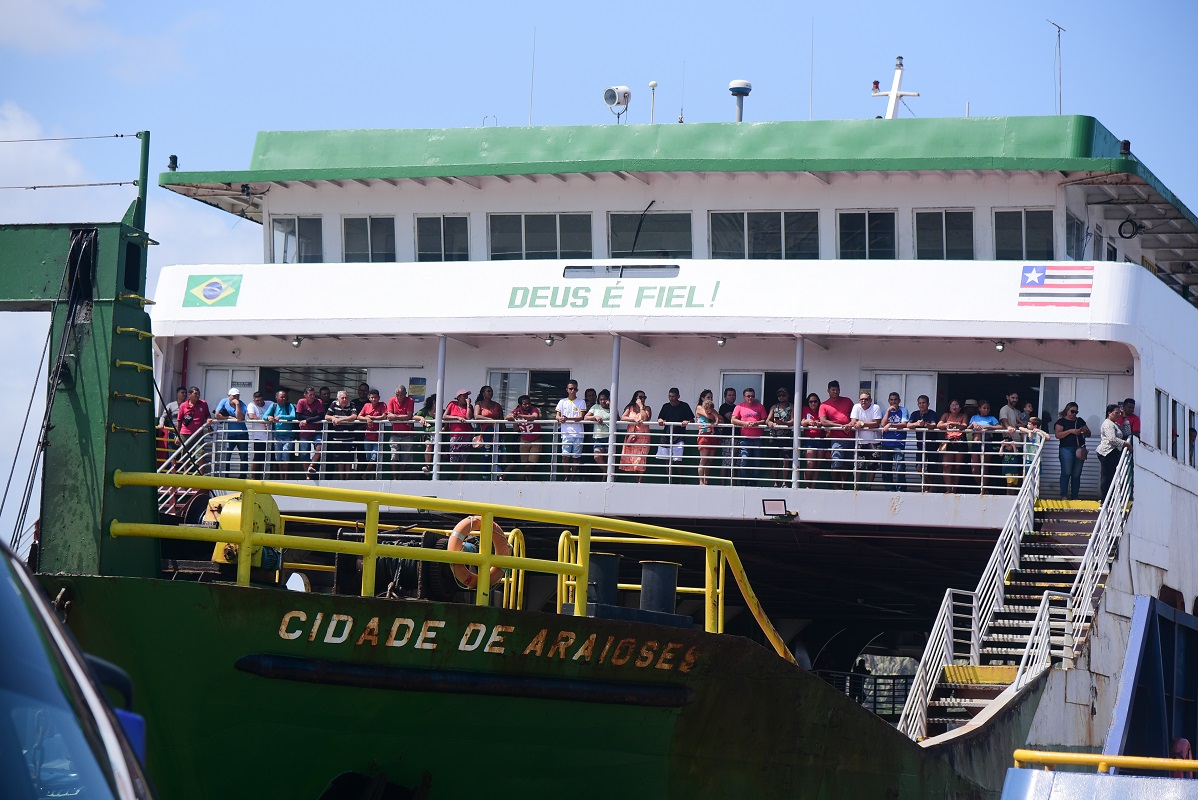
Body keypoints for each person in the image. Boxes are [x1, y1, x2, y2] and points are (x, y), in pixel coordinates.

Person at [819, 381, 855, 489]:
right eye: (833, 390)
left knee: (847, 464)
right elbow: (823, 422)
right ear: (828, 391)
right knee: (836, 463)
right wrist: (839, 425)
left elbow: (855, 416)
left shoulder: (848, 401)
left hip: (851, 437)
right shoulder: (824, 405)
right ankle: (836, 487)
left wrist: (849, 424)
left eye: (837, 389)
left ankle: (843, 487)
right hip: (837, 438)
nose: (835, 392)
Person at [1053, 402, 1092, 500]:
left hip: (1079, 448)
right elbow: (1058, 435)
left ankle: (1075, 497)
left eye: (1076, 412)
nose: (1074, 414)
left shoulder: (1080, 420)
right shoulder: (1061, 421)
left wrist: (1085, 431)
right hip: (1066, 448)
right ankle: (1064, 495)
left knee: (1076, 474)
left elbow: (1089, 434)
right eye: (1072, 411)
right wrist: (1070, 431)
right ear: (1067, 410)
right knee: (1066, 472)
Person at [657, 387, 694, 480]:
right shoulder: (665, 406)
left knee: (678, 459)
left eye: (673, 396)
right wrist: (660, 420)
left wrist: (687, 421)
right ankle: (669, 479)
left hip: (679, 436)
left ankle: (680, 480)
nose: (671, 398)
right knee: (667, 460)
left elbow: (692, 419)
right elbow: (660, 418)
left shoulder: (684, 406)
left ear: (678, 396)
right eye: (670, 396)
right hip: (667, 436)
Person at [731, 388, 767, 486]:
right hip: (745, 438)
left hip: (758, 438)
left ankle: (753, 483)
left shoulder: (760, 406)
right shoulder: (739, 406)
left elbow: (765, 420)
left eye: (752, 396)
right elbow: (733, 420)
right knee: (744, 460)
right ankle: (743, 482)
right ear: (744, 397)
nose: (750, 398)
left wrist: (756, 423)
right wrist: (744, 423)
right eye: (748, 396)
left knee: (757, 462)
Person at [1097, 403, 1132, 500]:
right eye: (1116, 413)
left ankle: (1109, 497)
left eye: (1119, 413)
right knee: (1107, 477)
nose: (1118, 415)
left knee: (1112, 476)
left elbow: (1127, 432)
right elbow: (1112, 439)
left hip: (1113, 452)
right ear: (1109, 413)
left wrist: (1125, 419)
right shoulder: (1108, 424)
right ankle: (1104, 500)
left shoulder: (1115, 424)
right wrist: (1126, 444)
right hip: (1107, 452)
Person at [850, 391, 884, 488]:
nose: (864, 401)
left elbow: (876, 423)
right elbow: (853, 421)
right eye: (862, 399)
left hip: (874, 441)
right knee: (858, 466)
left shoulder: (875, 407)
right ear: (859, 400)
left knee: (872, 466)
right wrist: (859, 423)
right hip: (860, 441)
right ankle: (856, 486)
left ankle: (869, 487)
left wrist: (862, 424)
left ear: (871, 400)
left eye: (866, 399)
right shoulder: (856, 407)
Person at [213, 387, 248, 480]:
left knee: (244, 456)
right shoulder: (224, 401)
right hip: (229, 434)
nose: (236, 398)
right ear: (229, 396)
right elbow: (216, 415)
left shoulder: (242, 404)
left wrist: (237, 405)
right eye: (234, 396)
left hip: (242, 434)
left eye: (237, 396)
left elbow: (240, 418)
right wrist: (229, 417)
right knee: (227, 455)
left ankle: (243, 477)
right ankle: (226, 476)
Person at [555, 381, 588, 480]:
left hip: (578, 434)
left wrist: (567, 419)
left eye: (575, 389)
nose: (573, 391)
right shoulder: (562, 402)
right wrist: (559, 419)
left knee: (575, 457)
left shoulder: (581, 402)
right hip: (566, 433)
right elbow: (557, 416)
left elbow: (581, 417)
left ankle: (572, 477)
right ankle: (567, 477)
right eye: (571, 389)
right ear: (567, 390)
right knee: (565, 457)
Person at [506, 395, 543, 480]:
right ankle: (528, 481)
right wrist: (513, 416)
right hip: (524, 440)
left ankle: (521, 476)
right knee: (525, 463)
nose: (527, 405)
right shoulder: (517, 411)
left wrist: (521, 416)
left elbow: (534, 416)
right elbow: (507, 417)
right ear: (520, 405)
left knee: (532, 462)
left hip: (536, 439)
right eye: (525, 404)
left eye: (528, 403)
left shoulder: (534, 409)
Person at [763, 388, 795, 487]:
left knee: (786, 461)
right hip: (774, 437)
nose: (781, 397)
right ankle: (776, 482)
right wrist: (770, 423)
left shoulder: (792, 406)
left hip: (785, 437)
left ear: (788, 395)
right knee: (774, 461)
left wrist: (783, 423)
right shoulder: (774, 407)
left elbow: (793, 421)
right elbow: (767, 420)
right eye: (779, 395)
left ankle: (784, 482)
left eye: (783, 395)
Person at [177, 386, 213, 473]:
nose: (197, 395)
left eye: (198, 393)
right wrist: (178, 436)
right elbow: (179, 421)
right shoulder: (183, 406)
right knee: (185, 455)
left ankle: (201, 477)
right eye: (195, 394)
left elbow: (207, 415)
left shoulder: (203, 404)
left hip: (198, 434)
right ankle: (186, 475)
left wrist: (208, 422)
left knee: (200, 454)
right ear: (189, 395)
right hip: (185, 434)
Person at [969, 400, 1004, 491]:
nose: (986, 410)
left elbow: (1000, 427)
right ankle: (980, 486)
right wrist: (973, 423)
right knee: (974, 469)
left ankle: (984, 488)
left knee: (984, 467)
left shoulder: (991, 418)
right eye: (984, 408)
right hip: (976, 444)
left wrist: (988, 427)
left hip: (987, 443)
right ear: (979, 409)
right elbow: (967, 428)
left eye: (988, 408)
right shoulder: (974, 417)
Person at [908, 395, 940, 490]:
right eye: (920, 403)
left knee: (932, 469)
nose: (922, 405)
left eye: (924, 403)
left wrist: (925, 424)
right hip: (921, 445)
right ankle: (930, 486)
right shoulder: (915, 414)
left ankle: (928, 489)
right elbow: (908, 424)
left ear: (928, 404)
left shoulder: (932, 413)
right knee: (919, 468)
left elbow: (934, 425)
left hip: (932, 444)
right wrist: (916, 424)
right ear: (918, 404)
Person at [937, 400, 970, 491]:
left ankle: (954, 489)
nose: (954, 407)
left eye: (956, 405)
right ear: (949, 407)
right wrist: (947, 424)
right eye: (952, 405)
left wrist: (955, 425)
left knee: (957, 467)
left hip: (960, 442)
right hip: (949, 442)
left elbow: (964, 425)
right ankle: (948, 489)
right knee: (946, 465)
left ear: (960, 408)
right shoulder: (946, 415)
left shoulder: (963, 415)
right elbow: (939, 425)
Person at [878, 392, 909, 492]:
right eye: (891, 400)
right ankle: (889, 489)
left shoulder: (903, 410)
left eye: (895, 400)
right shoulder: (884, 411)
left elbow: (904, 424)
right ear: (888, 401)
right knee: (886, 467)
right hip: (886, 443)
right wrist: (887, 412)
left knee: (899, 466)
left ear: (899, 401)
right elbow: (883, 424)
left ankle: (901, 489)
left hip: (898, 443)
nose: (893, 402)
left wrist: (890, 424)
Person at [325, 390, 359, 478]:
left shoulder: (351, 405)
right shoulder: (333, 404)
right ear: (337, 399)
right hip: (337, 438)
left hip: (349, 437)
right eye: (342, 398)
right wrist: (332, 417)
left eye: (346, 397)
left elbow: (354, 416)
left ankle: (347, 478)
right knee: (339, 459)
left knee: (348, 459)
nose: (344, 399)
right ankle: (341, 477)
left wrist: (340, 420)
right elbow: (326, 416)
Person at [618, 391, 652, 480]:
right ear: (635, 398)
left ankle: (640, 481)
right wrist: (634, 419)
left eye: (644, 397)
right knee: (633, 460)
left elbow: (645, 418)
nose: (643, 399)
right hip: (632, 437)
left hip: (643, 438)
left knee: (641, 460)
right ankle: (636, 480)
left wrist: (641, 407)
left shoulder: (647, 408)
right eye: (640, 397)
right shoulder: (630, 408)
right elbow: (623, 417)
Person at [474, 385, 505, 480]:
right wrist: (489, 419)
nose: (490, 393)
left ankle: (499, 475)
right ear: (483, 393)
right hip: (485, 432)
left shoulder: (497, 405)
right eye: (488, 391)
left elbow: (501, 419)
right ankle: (485, 476)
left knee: (498, 453)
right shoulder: (479, 404)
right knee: (486, 454)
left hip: (497, 432)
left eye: (491, 391)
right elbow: (476, 416)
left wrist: (504, 433)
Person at [386, 385, 417, 479]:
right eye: (397, 395)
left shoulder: (410, 400)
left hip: (407, 434)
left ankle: (400, 477)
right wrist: (400, 417)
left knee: (405, 457)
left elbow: (408, 416)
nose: (399, 397)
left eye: (401, 395)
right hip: (395, 433)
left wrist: (395, 416)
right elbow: (389, 416)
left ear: (405, 394)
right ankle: (395, 477)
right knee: (394, 456)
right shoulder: (392, 400)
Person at [444, 389, 475, 479]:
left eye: (467, 396)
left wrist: (468, 405)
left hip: (466, 435)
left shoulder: (469, 407)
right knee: (454, 458)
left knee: (464, 458)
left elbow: (468, 417)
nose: (466, 398)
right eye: (464, 396)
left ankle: (459, 477)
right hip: (455, 435)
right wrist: (457, 417)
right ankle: (458, 473)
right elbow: (444, 416)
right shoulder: (452, 404)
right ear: (458, 397)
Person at [296, 386, 325, 479]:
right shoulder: (301, 402)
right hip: (304, 432)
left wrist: (307, 421)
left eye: (313, 394)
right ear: (305, 395)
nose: (313, 397)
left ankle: (311, 466)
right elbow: (298, 416)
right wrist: (312, 419)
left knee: (320, 446)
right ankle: (307, 475)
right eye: (310, 395)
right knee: (304, 454)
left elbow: (321, 416)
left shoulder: (319, 402)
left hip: (316, 431)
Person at [267, 389, 297, 477]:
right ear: (276, 398)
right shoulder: (274, 406)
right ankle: (281, 476)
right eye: (281, 397)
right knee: (278, 457)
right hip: (277, 435)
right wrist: (269, 417)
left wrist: (280, 417)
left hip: (288, 436)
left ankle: (286, 477)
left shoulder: (289, 405)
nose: (284, 399)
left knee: (285, 456)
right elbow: (265, 416)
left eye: (285, 397)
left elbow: (293, 416)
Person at [358, 388, 388, 477]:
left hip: (378, 436)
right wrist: (367, 418)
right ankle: (371, 477)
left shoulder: (383, 405)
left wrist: (371, 418)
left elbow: (384, 416)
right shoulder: (366, 405)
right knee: (368, 458)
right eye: (372, 397)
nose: (374, 399)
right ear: (369, 398)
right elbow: (359, 416)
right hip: (368, 436)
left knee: (374, 457)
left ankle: (365, 474)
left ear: (379, 398)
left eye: (375, 397)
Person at [800, 393, 826, 486]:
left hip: (821, 439)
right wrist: (808, 421)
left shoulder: (821, 409)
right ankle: (808, 486)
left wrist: (819, 424)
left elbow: (825, 421)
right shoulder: (805, 409)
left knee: (818, 465)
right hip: (810, 439)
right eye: (811, 402)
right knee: (810, 464)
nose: (813, 403)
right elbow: (802, 422)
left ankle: (813, 486)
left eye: (815, 401)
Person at [244, 390, 271, 479]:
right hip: (258, 436)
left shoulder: (270, 404)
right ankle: (253, 477)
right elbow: (251, 416)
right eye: (257, 401)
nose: (259, 402)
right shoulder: (251, 405)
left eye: (261, 400)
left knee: (270, 457)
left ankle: (266, 477)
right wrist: (264, 422)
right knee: (258, 457)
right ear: (254, 400)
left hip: (271, 436)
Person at [584, 389, 612, 474]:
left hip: (609, 437)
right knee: (597, 457)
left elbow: (617, 419)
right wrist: (595, 417)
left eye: (604, 399)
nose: (602, 401)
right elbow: (586, 417)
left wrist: (611, 406)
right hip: (598, 437)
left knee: (608, 459)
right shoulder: (595, 407)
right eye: (601, 399)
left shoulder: (612, 408)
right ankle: (610, 473)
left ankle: (605, 478)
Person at [414, 394, 438, 475]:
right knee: (428, 445)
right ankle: (427, 466)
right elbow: (414, 416)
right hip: (428, 435)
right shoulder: (425, 411)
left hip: (440, 436)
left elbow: (446, 427)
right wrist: (421, 418)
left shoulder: (443, 411)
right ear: (434, 402)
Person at [719, 387, 738, 482]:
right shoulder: (724, 407)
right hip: (727, 437)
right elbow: (731, 419)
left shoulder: (737, 407)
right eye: (729, 395)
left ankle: (734, 483)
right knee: (726, 461)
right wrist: (738, 418)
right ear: (725, 397)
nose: (732, 397)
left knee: (735, 462)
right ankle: (723, 484)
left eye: (733, 395)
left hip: (738, 436)